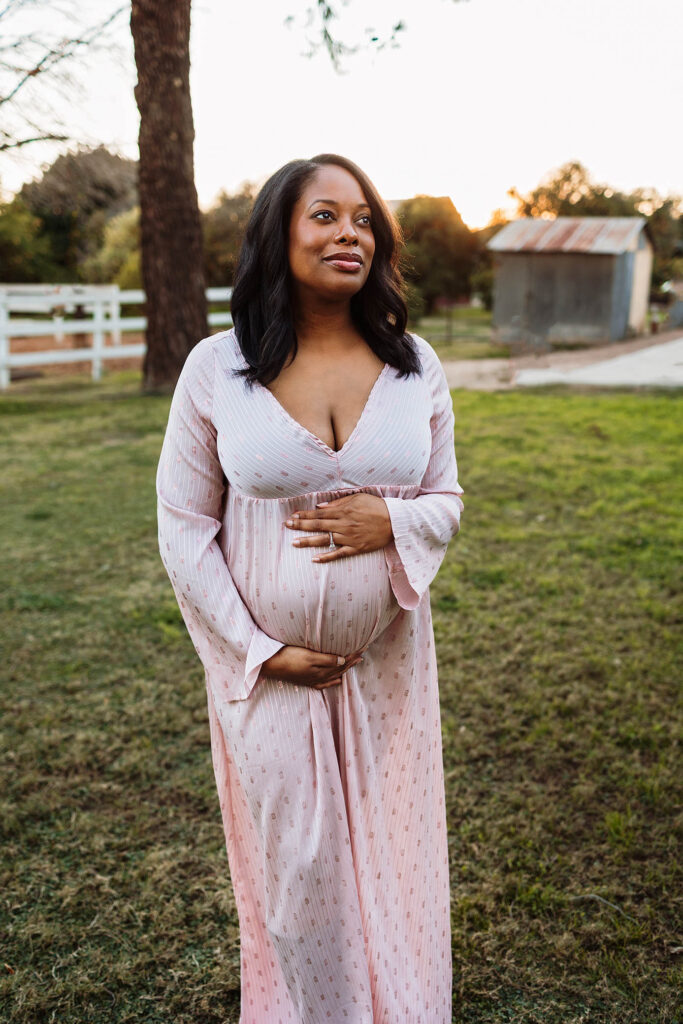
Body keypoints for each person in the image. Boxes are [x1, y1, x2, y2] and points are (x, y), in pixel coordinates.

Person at [156, 153, 465, 1023]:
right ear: (278, 234)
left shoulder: (414, 365)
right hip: (269, 674)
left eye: (364, 219)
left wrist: (392, 523)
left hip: (387, 668)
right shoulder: (219, 368)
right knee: (301, 874)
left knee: (390, 858)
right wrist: (260, 653)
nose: (350, 234)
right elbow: (183, 524)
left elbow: (445, 498)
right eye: (325, 216)